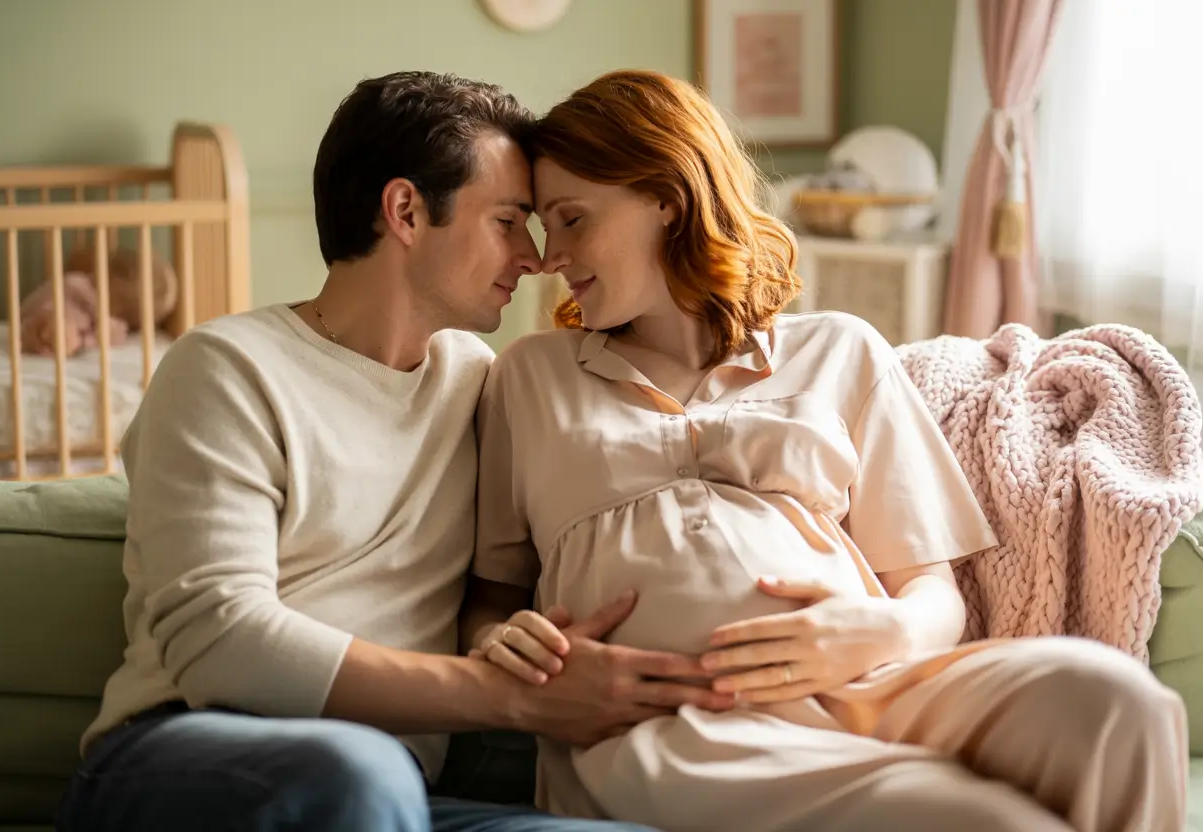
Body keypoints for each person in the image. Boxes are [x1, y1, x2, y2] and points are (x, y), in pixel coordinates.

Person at [463, 69, 1189, 832]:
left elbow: (931, 589)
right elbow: (489, 599)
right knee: (981, 819)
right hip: (677, 728)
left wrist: (885, 630)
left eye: (571, 220)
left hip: (873, 684)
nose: (550, 256)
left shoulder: (840, 350)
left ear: (665, 199)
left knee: (1118, 703)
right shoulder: (529, 377)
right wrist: (499, 641)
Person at [54, 70, 736, 832]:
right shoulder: (227, 368)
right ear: (406, 210)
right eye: (509, 221)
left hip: (395, 795)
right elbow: (218, 638)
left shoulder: (485, 384)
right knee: (355, 775)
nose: (537, 257)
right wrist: (508, 696)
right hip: (185, 758)